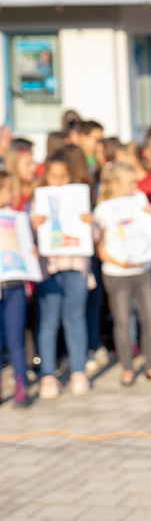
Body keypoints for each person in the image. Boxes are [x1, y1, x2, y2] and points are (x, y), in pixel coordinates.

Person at [93, 162, 151, 385]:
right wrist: (118, 261)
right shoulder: (102, 210)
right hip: (117, 273)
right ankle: (127, 367)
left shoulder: (140, 201)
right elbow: (100, 248)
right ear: (115, 184)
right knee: (123, 322)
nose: (135, 186)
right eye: (130, 182)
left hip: (144, 268)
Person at [33, 154, 93, 399]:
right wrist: (34, 225)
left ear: (70, 176)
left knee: (75, 318)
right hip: (50, 268)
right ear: (46, 175)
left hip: (77, 264)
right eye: (53, 176)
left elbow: (95, 236)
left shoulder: (80, 199)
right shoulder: (38, 203)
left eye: (63, 176)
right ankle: (48, 374)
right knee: (49, 321)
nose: (57, 181)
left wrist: (92, 223)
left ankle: (78, 370)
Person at [0, 169, 30, 407]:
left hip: (16, 284)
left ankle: (21, 383)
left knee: (16, 338)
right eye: (8, 189)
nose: (12, 193)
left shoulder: (17, 217)